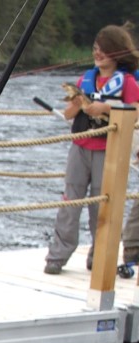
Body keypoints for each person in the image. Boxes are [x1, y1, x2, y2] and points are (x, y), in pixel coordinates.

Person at [44, 24, 139, 275]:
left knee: (102, 205)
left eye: (104, 50)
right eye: (96, 49)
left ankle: (100, 257)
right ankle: (57, 256)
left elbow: (136, 109)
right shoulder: (85, 79)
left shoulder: (127, 82)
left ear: (116, 53)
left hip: (108, 150)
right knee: (70, 201)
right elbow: (68, 114)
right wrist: (78, 104)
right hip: (80, 146)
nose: (98, 54)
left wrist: (105, 108)